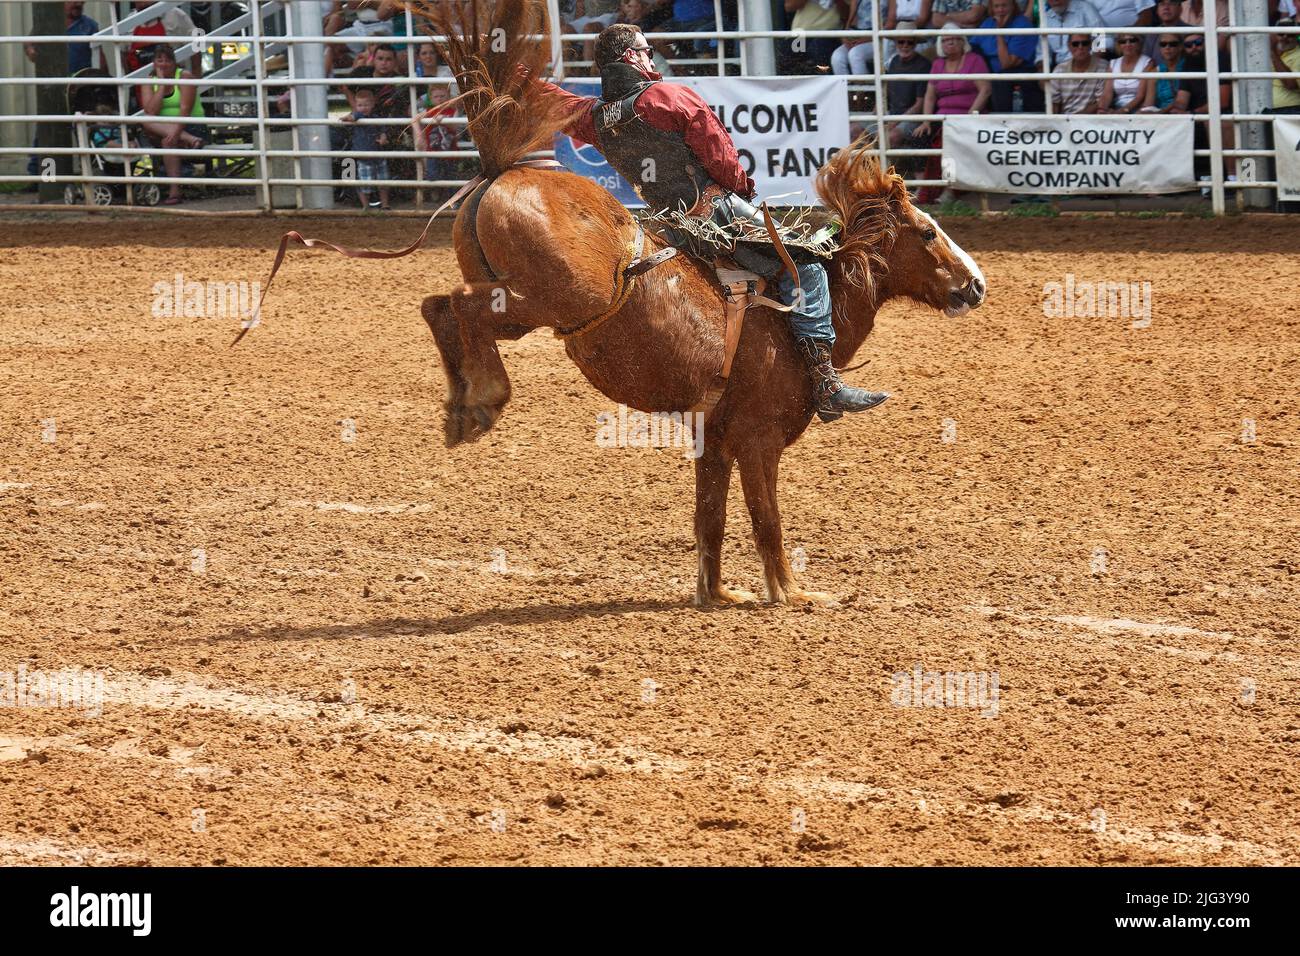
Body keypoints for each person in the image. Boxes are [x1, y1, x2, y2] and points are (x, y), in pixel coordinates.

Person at [533, 23, 889, 420]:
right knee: (806, 264)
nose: (652, 57)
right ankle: (825, 382)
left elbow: (552, 102)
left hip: (664, 229)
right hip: (713, 218)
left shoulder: (595, 118)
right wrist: (743, 189)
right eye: (646, 50)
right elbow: (721, 158)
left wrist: (504, 72)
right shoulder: (670, 98)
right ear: (631, 57)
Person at [914, 23, 991, 203]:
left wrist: (970, 115)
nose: (951, 43)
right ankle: (924, 187)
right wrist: (926, 120)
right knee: (918, 137)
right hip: (941, 118)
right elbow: (930, 96)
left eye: (955, 39)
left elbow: (985, 90)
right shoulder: (937, 64)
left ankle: (950, 189)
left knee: (947, 141)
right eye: (946, 40)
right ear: (941, 44)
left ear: (963, 42)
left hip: (968, 117)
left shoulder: (974, 60)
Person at [136, 45, 205, 205]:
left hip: (190, 125)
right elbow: (150, 110)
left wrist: (175, 132)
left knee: (168, 141)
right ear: (154, 63)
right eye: (159, 60)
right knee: (148, 120)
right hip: (165, 130)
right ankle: (189, 139)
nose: (164, 64)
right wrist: (161, 85)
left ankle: (174, 192)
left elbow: (185, 109)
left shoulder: (184, 77)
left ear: (174, 63)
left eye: (168, 60)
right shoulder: (148, 81)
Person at [972, 0, 1044, 112]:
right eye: (996, 6)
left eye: (1004, 5)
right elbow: (973, 49)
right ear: (991, 8)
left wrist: (999, 32)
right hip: (989, 73)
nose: (1000, 10)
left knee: (1000, 79)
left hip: (1018, 76)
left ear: (1013, 6)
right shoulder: (988, 23)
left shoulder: (1023, 25)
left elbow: (1006, 64)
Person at [342, 87, 391, 209]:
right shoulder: (357, 116)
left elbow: (383, 130)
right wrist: (349, 117)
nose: (363, 108)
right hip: (364, 157)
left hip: (378, 155)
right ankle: (365, 206)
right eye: (359, 105)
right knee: (365, 184)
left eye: (366, 105)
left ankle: (385, 204)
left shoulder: (376, 118)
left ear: (373, 104)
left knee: (383, 183)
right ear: (356, 106)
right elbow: (354, 116)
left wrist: (383, 138)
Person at [126, 0, 200, 75]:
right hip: (139, 82)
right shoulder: (128, 22)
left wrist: (196, 79)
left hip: (173, 82)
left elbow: (196, 44)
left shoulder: (175, 15)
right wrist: (129, 83)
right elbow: (123, 54)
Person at [1046, 32, 1107, 112]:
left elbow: (1101, 102)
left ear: (1091, 45)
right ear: (1069, 46)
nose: (1080, 47)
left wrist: (1076, 119)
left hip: (1093, 120)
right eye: (1075, 44)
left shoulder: (1103, 67)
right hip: (1066, 120)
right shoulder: (1059, 70)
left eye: (1085, 43)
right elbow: (1054, 104)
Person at [781, 0, 843, 74]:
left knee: (818, 50)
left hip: (829, 32)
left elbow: (847, 13)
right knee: (788, 53)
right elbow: (789, 6)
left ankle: (823, 83)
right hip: (801, 33)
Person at [1098, 33, 1153, 112]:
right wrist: (1102, 109)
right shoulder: (1113, 63)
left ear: (1139, 43)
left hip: (1138, 110)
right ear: (1118, 45)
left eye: (1132, 41)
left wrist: (1122, 111)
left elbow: (1140, 96)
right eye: (1123, 42)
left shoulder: (1147, 62)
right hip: (1117, 108)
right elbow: (1107, 94)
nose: (1128, 44)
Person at [1039, 0, 1104, 65]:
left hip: (1088, 63)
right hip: (1061, 69)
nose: (1055, 0)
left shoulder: (1085, 9)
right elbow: (1041, 55)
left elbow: (1103, 40)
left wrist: (1091, 63)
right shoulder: (1047, 19)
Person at [832, 0, 884, 76]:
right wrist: (845, 36)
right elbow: (850, 21)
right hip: (858, 36)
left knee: (855, 54)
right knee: (837, 57)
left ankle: (862, 87)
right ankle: (846, 87)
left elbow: (890, 24)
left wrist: (868, 38)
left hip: (880, 38)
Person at [1144, 32, 1187, 110]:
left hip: (1185, 114)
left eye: (1173, 44)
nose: (1167, 47)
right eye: (1163, 44)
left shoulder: (1189, 67)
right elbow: (1148, 104)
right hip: (1162, 117)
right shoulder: (1155, 72)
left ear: (1180, 47)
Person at [1268, 18, 1300, 113]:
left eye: (1290, 35)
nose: (1285, 37)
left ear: (1296, 36)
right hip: (1265, 109)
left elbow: (1291, 84)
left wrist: (1272, 53)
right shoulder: (1263, 52)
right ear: (1274, 36)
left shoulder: (1298, 55)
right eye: (1281, 33)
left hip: (1289, 110)